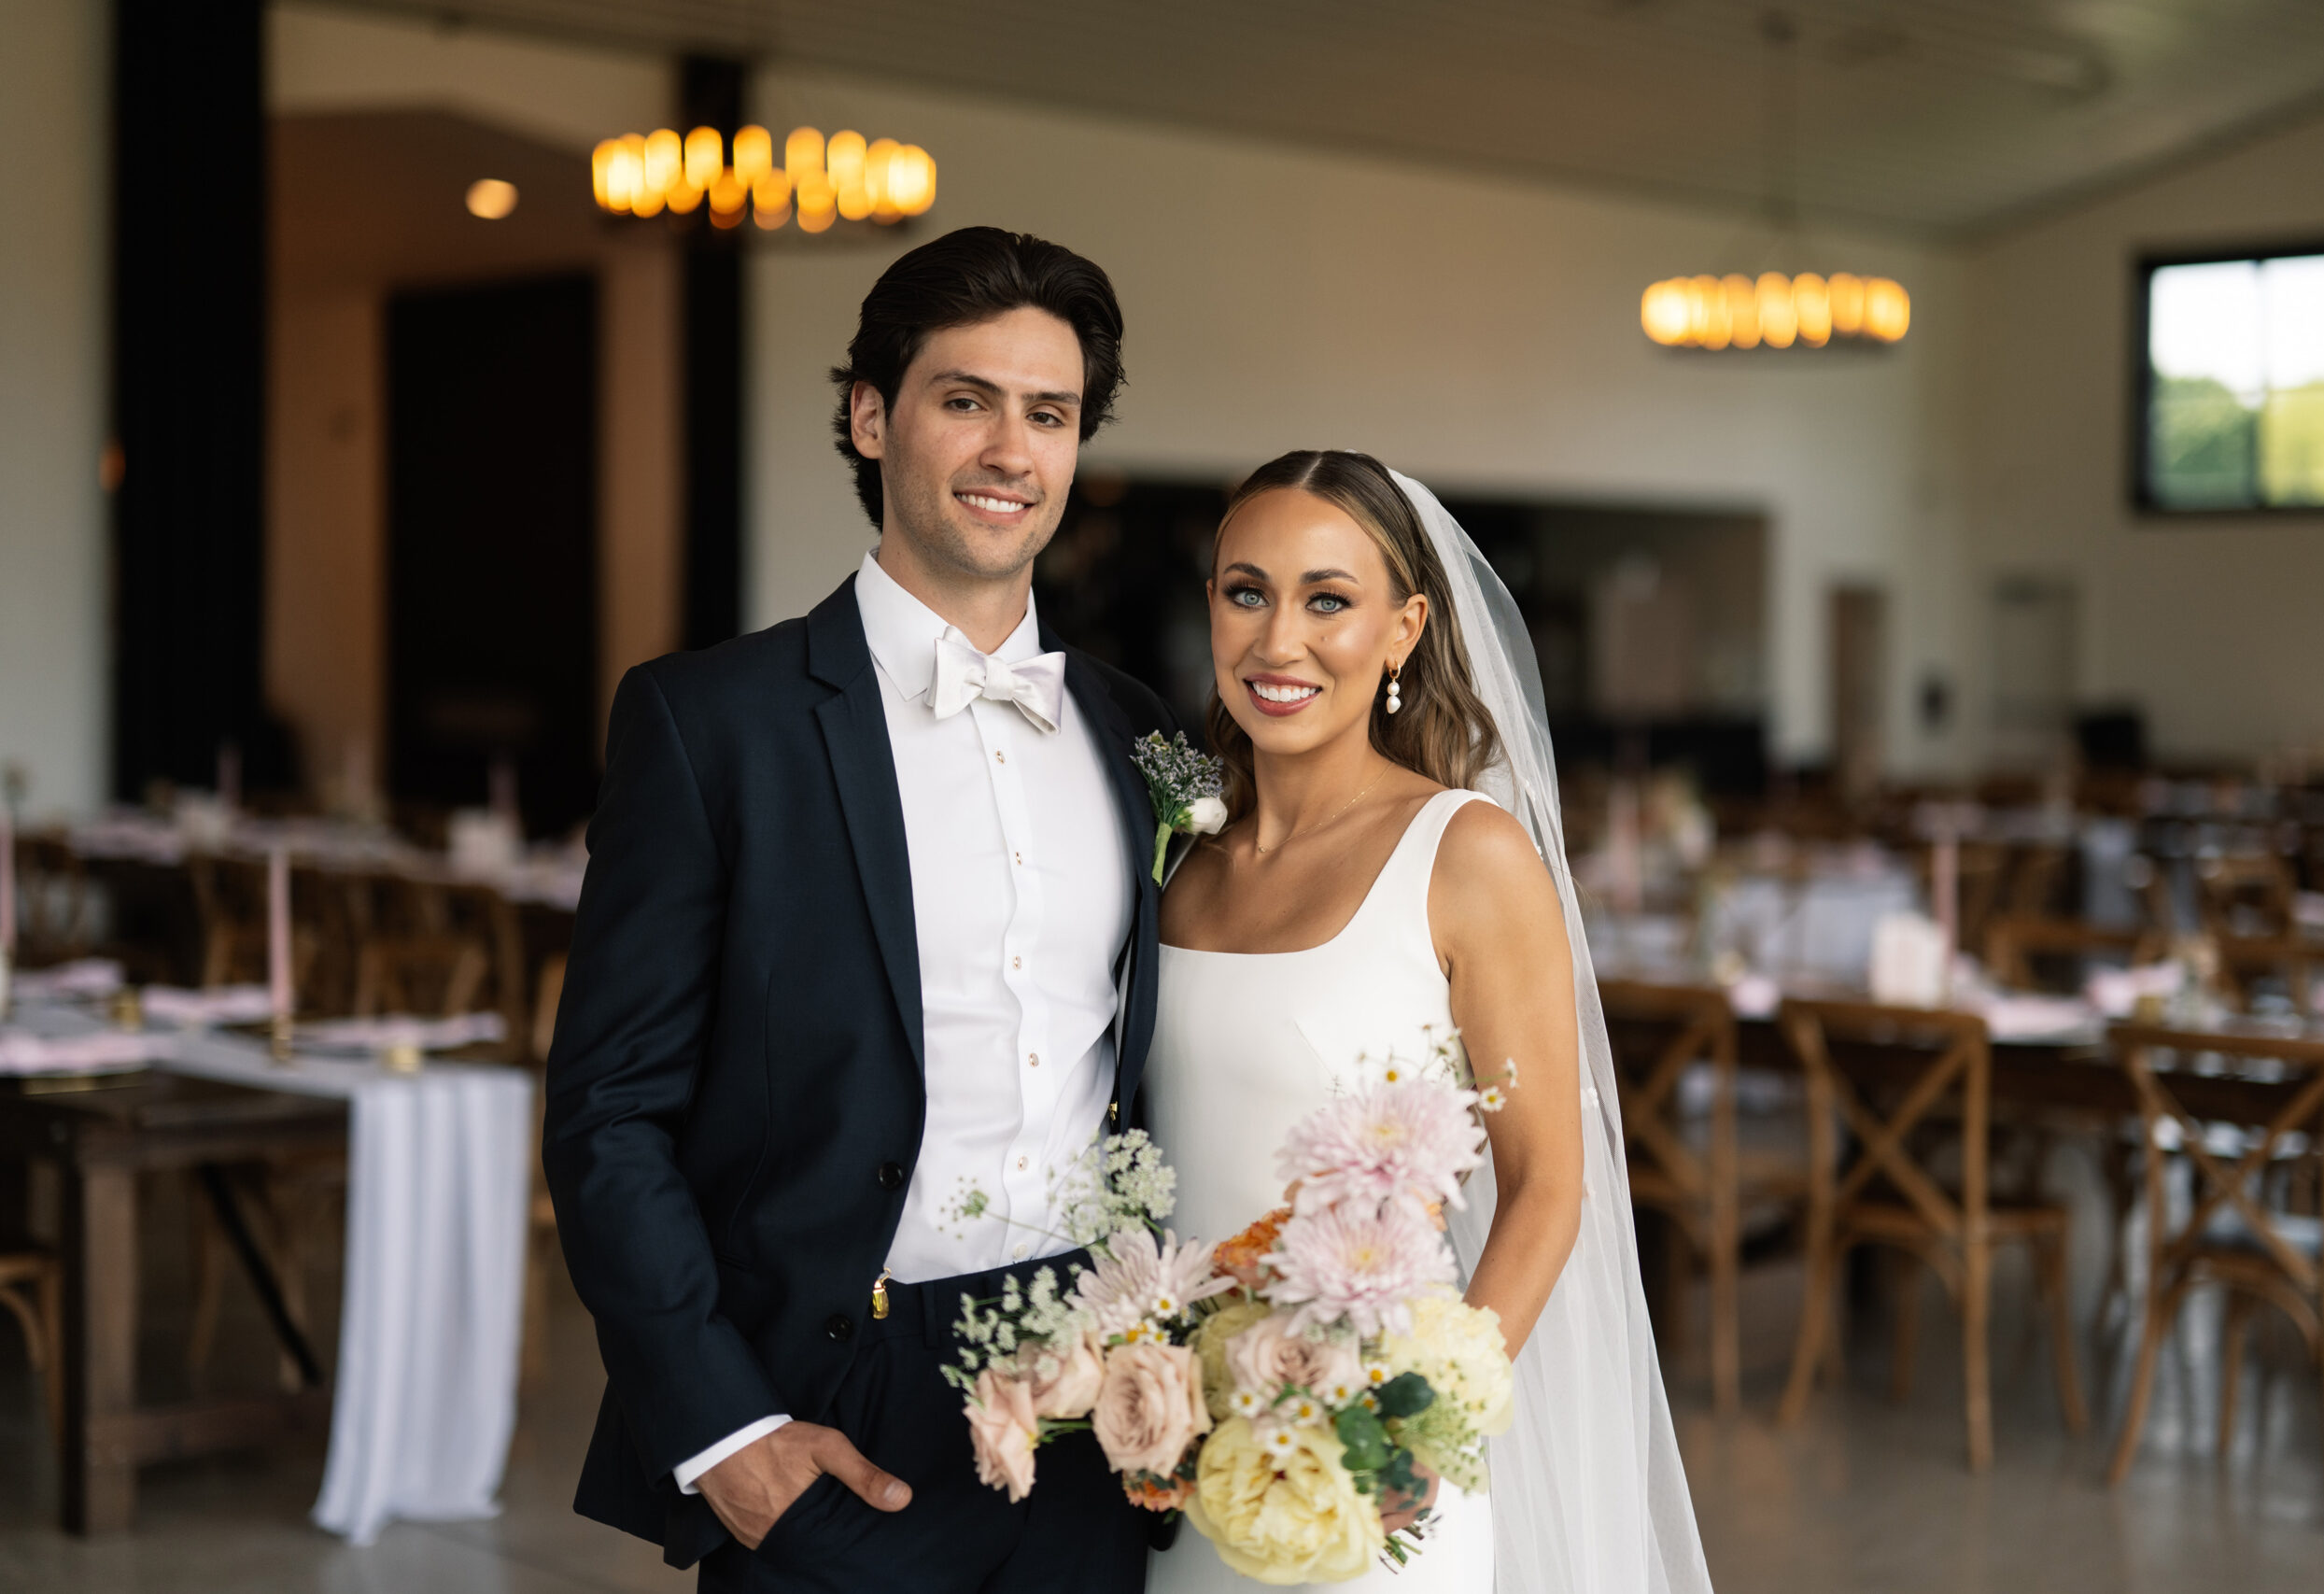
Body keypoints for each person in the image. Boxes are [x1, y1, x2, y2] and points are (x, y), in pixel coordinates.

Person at [543, 227, 1176, 1593]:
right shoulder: (711, 721)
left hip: (1099, 1409)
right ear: (871, 414)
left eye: (1049, 413)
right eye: (968, 399)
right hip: (835, 1400)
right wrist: (727, 1432)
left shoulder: (1141, 737)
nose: (1013, 449)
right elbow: (608, 1113)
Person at [1145, 451, 1712, 1594]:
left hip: (1370, 1474)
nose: (1277, 641)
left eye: (1329, 600)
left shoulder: (1465, 856)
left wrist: (1410, 1433)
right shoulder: (1177, 855)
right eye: (1245, 591)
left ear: (1403, 629)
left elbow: (1549, 1183)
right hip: (1177, 1458)